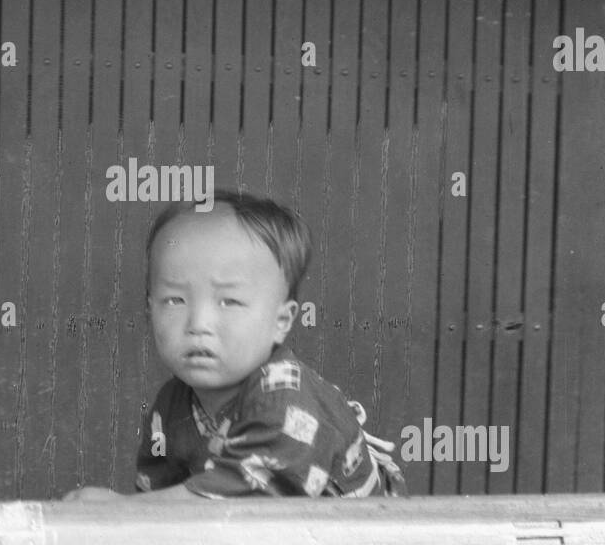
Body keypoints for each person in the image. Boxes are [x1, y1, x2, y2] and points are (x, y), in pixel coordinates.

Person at [63, 190, 406, 503]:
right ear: (148, 308)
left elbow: (247, 501)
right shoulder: (171, 406)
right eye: (174, 300)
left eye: (228, 301)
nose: (198, 323)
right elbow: (162, 505)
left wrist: (122, 511)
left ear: (281, 322)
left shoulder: (285, 396)